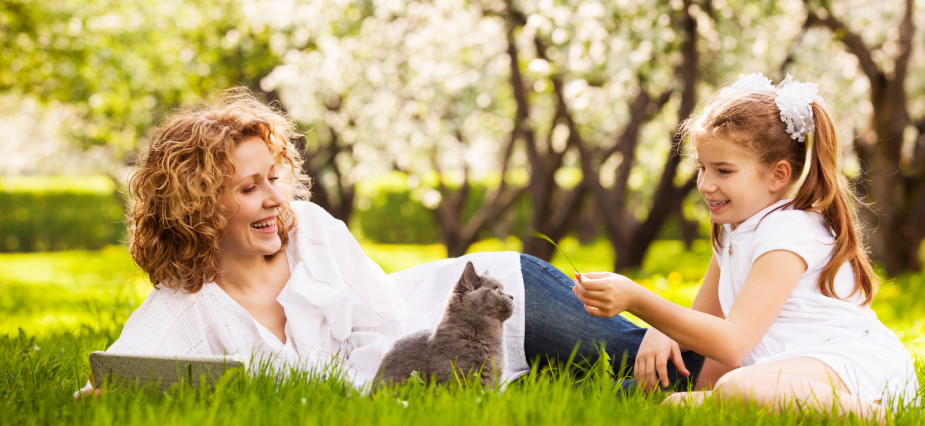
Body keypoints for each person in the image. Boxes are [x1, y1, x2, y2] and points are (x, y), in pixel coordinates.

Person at [78, 88, 703, 396]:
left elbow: (384, 328)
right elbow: (124, 373)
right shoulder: (188, 305)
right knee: (640, 396)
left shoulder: (311, 233)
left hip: (501, 301)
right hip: (470, 377)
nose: (275, 198)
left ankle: (777, 352)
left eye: (275, 177)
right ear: (196, 208)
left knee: (681, 367)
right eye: (249, 188)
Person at [571, 74, 918, 420]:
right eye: (702, 168)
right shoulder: (734, 228)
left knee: (736, 389)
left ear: (777, 175)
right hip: (777, 372)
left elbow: (732, 342)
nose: (706, 184)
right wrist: (670, 344)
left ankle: (873, 416)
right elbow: (708, 325)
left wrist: (637, 299)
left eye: (723, 170)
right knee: (715, 391)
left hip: (849, 366)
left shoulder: (790, 231)